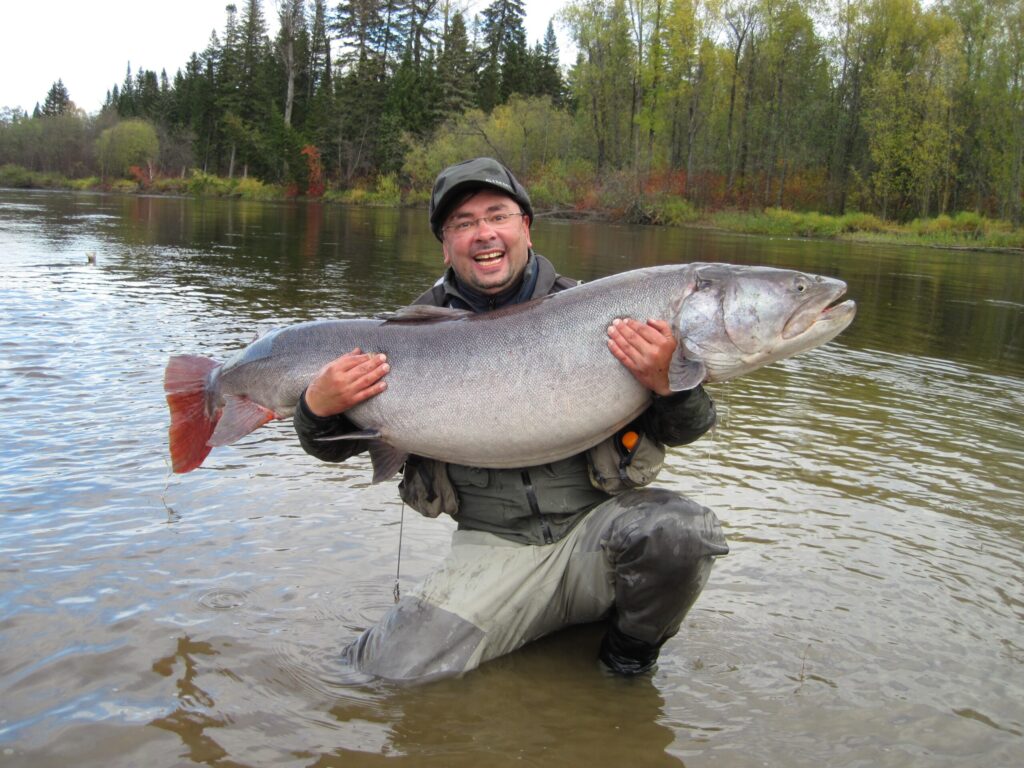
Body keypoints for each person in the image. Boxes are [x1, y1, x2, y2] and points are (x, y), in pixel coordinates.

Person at [294, 157, 728, 683]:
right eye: (463, 223)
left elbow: (685, 430)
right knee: (383, 674)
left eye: (496, 215)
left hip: (597, 535)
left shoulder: (608, 315)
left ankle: (626, 662)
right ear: (445, 244)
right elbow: (336, 448)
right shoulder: (405, 335)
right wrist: (316, 408)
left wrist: (671, 385)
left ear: (525, 226)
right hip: (493, 551)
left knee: (679, 531)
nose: (483, 234)